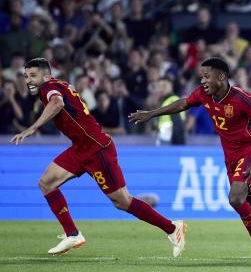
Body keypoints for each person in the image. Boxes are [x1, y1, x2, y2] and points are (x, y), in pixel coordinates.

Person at [129, 57, 251, 263]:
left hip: (249, 153)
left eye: (207, 76)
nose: (203, 81)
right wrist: (152, 114)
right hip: (230, 158)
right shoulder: (203, 94)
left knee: (235, 198)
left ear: (222, 77)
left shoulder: (243, 99)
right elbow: (183, 103)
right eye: (202, 77)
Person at [10, 58, 186, 257]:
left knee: (122, 202)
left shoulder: (48, 87)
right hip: (81, 148)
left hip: (97, 149)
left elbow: (57, 103)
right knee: (46, 183)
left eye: (33, 75)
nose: (29, 80)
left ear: (47, 76)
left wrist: (33, 127)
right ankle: (73, 234)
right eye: (26, 76)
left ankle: (172, 228)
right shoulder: (60, 84)